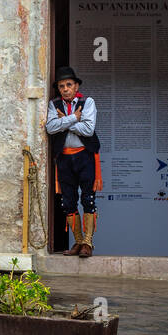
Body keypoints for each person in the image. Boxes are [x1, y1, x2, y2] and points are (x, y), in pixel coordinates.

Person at [45, 66, 101, 258]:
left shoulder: (88, 102)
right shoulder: (54, 104)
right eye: (61, 86)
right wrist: (73, 118)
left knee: (88, 199)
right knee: (68, 201)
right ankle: (77, 241)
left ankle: (88, 242)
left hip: (85, 156)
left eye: (69, 84)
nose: (65, 89)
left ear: (76, 85)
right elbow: (51, 128)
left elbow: (88, 130)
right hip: (64, 158)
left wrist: (66, 122)